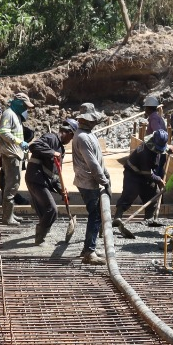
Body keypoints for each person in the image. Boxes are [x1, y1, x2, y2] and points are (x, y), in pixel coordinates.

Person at [112, 95, 169, 237]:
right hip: (134, 172)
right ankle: (117, 218)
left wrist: (169, 149)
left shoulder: (154, 142)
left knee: (152, 194)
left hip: (145, 172)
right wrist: (159, 180)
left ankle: (149, 219)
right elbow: (147, 173)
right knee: (129, 194)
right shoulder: (146, 152)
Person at [26, 119, 76, 245]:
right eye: (72, 137)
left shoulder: (61, 149)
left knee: (46, 212)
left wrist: (61, 190)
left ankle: (42, 229)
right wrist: (51, 152)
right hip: (36, 178)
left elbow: (55, 174)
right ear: (68, 133)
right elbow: (33, 146)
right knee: (52, 209)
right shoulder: (51, 138)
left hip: (42, 180)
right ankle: (40, 237)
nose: (71, 140)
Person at [71, 108, 109, 264]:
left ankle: (89, 247)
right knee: (95, 215)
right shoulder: (83, 137)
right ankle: (89, 252)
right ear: (85, 120)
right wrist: (104, 180)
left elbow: (99, 158)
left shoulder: (88, 135)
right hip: (87, 181)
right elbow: (92, 164)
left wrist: (105, 174)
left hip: (90, 180)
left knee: (96, 214)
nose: (95, 122)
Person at [0, 93, 30, 225]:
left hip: (15, 154)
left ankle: (10, 214)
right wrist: (19, 142)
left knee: (13, 185)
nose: (25, 109)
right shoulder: (9, 114)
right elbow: (4, 132)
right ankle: (7, 218)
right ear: (17, 103)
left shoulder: (15, 115)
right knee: (12, 185)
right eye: (24, 105)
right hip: (10, 155)